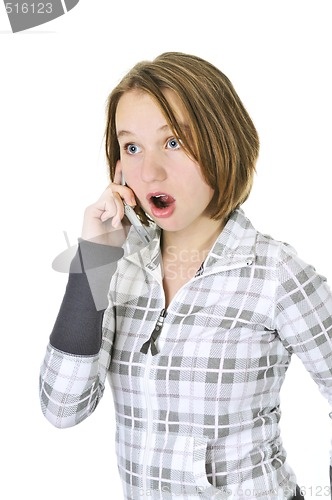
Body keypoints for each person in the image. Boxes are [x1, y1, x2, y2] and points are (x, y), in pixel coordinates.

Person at [39, 52, 332, 500]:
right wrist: (94, 256)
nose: (149, 171)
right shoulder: (119, 269)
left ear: (223, 142)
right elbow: (62, 407)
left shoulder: (274, 272)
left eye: (172, 142)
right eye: (131, 147)